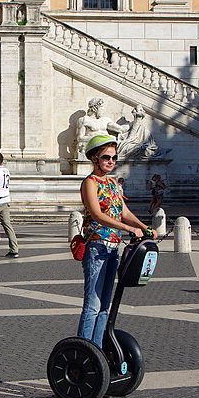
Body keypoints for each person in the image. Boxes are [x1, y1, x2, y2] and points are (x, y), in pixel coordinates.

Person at [77, 135, 156, 348]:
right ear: (94, 159)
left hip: (112, 248)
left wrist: (144, 227)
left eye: (114, 157)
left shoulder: (112, 183)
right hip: (96, 246)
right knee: (92, 305)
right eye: (106, 157)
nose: (111, 161)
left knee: (105, 305)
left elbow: (124, 211)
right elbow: (97, 215)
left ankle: (98, 350)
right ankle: (84, 350)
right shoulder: (90, 183)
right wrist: (128, 228)